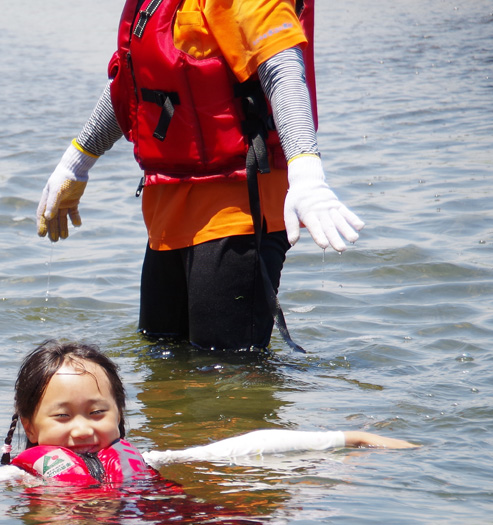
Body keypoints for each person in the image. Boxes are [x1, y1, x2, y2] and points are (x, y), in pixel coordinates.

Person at [36, 0, 363, 352]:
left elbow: (282, 69)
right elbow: (135, 81)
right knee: (161, 368)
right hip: (169, 213)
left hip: (238, 209)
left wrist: (306, 171)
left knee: (228, 382)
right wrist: (76, 162)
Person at [0, 339, 413, 513]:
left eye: (98, 413)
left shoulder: (146, 460)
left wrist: (347, 438)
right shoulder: (25, 476)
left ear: (120, 415)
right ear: (28, 424)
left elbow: (241, 448)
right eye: (61, 416)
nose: (82, 430)